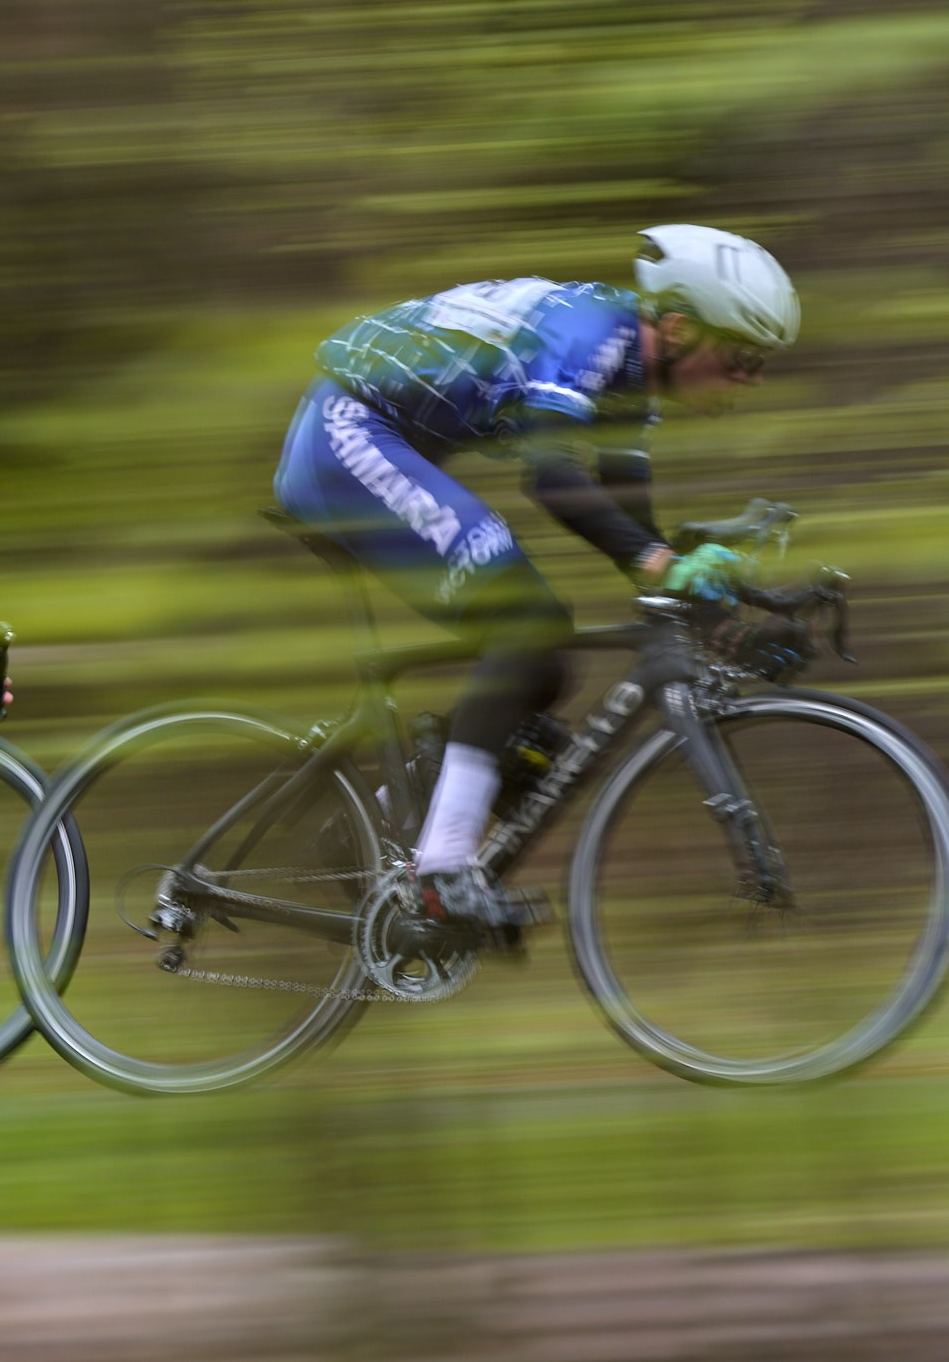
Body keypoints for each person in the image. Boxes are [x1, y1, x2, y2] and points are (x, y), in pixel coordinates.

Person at [271, 224, 800, 931]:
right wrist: (667, 567)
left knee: (543, 655)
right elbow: (552, 480)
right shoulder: (590, 335)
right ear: (676, 327)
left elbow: (631, 533)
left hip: (380, 439)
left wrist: (722, 613)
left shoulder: (630, 375)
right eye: (740, 356)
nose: (750, 378)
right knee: (523, 626)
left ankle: (388, 823)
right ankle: (442, 871)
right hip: (346, 431)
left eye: (760, 362)